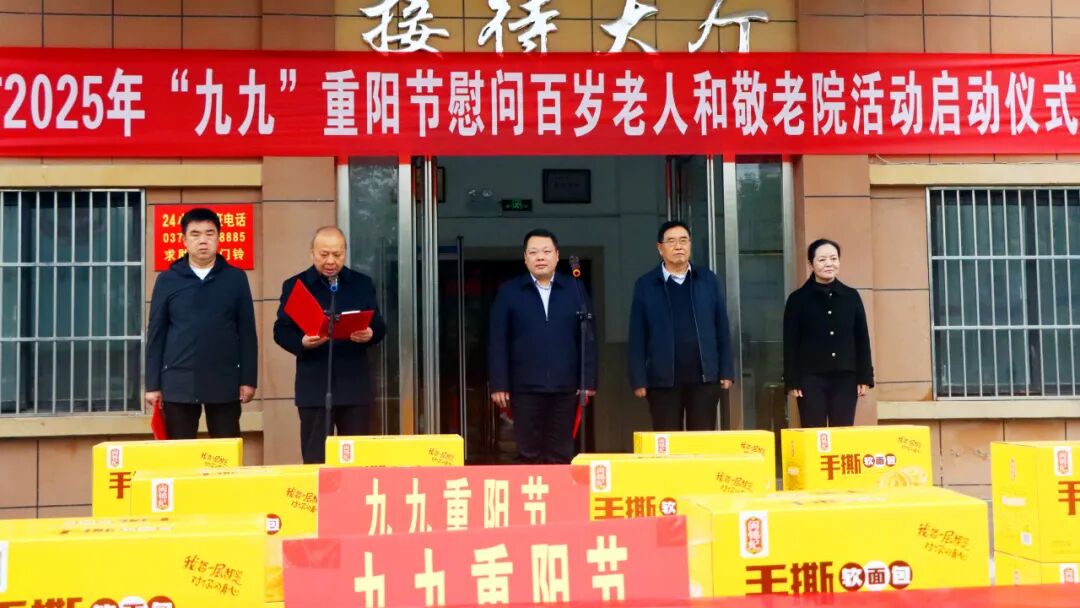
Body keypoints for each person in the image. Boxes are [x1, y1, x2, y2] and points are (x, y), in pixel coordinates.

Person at [273, 226, 387, 465]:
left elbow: (378, 325)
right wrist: (302, 342)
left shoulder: (361, 283)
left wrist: (370, 333)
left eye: (337, 254)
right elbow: (281, 331)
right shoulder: (296, 285)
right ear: (312, 253)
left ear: (345, 252)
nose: (331, 261)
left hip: (353, 384)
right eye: (324, 254)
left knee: (355, 459)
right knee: (316, 458)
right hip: (315, 385)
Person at [145, 207, 257, 439]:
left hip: (224, 380)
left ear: (219, 238)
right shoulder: (167, 279)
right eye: (195, 234)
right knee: (181, 452)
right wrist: (152, 385)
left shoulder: (235, 278)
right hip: (179, 381)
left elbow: (247, 332)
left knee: (226, 450)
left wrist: (248, 380)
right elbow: (156, 333)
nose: (203, 240)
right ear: (184, 240)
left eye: (209, 233)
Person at [489, 229, 597, 464]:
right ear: (525, 258)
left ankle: (558, 490)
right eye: (534, 252)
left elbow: (587, 338)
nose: (540, 257)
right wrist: (499, 384)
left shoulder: (575, 289)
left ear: (557, 256)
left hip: (566, 387)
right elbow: (498, 340)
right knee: (529, 453)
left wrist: (587, 380)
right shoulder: (510, 292)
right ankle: (532, 489)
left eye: (546, 251)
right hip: (524, 387)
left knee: (561, 452)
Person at [628, 220, 734, 431]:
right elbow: (637, 335)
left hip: (704, 378)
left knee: (701, 441)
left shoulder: (707, 280)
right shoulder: (646, 285)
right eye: (671, 241)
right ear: (660, 248)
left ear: (690, 244)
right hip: (663, 380)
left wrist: (727, 370)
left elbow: (722, 327)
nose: (678, 246)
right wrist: (638, 378)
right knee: (667, 440)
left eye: (684, 240)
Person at [783, 238, 874, 428]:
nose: (829, 264)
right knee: (813, 430)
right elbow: (790, 342)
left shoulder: (851, 296)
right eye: (822, 259)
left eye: (833, 258)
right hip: (810, 378)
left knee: (842, 432)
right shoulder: (798, 299)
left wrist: (864, 376)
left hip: (846, 378)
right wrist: (792, 380)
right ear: (811, 264)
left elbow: (861, 339)